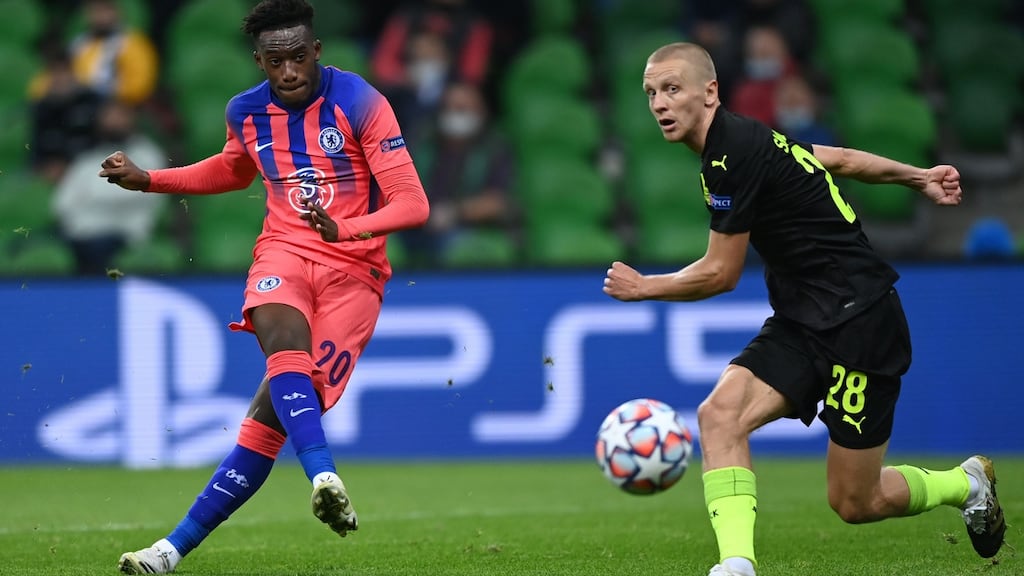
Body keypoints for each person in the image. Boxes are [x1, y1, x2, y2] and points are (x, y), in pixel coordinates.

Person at [602, 42, 1005, 576]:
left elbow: (721, 273)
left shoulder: (732, 154)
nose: (659, 103)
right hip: (801, 320)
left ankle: (965, 484)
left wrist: (645, 288)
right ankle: (736, 565)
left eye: (672, 89)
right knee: (719, 415)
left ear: (710, 92)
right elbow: (838, 159)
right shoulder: (744, 141)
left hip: (862, 319)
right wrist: (917, 176)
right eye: (652, 92)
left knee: (856, 501)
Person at [99, 0, 429, 573]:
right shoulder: (246, 111)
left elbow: (413, 203)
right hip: (285, 250)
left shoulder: (361, 102)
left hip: (355, 273)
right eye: (276, 62)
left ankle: (171, 550)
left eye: (299, 57)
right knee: (280, 338)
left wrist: (346, 228)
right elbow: (233, 169)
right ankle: (321, 476)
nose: (289, 72)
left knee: (267, 419)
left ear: (316, 51)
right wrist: (150, 179)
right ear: (259, 61)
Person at [403, 81, 517, 266]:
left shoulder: (494, 149)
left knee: (454, 244)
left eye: (462, 109)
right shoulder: (424, 143)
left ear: (480, 112)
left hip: (469, 228)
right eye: (448, 108)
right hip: (414, 227)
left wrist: (453, 212)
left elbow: (497, 202)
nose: (454, 114)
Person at [52, 100, 166, 275]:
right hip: (79, 232)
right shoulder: (88, 158)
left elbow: (140, 191)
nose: (113, 121)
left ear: (132, 118)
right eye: (108, 115)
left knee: (96, 251)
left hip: (123, 233)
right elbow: (62, 202)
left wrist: (91, 196)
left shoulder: (147, 154)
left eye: (119, 115)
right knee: (40, 248)